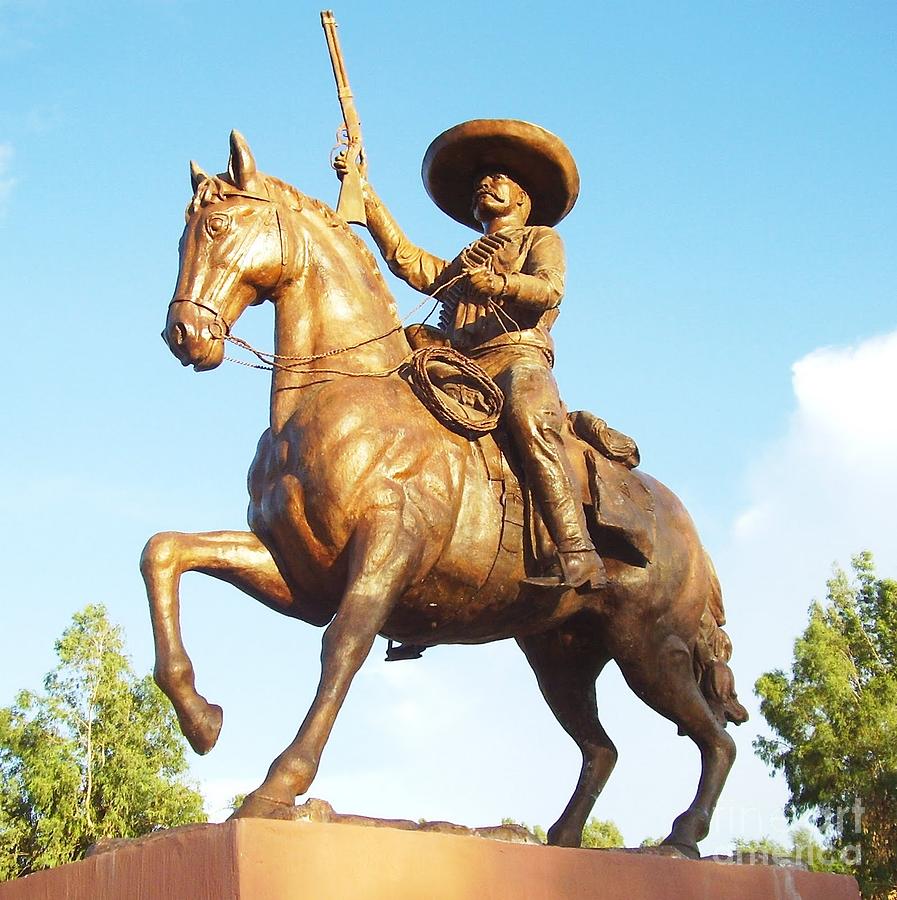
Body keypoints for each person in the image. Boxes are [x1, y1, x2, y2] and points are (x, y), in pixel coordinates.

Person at [336, 119, 605, 592]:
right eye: (483, 178)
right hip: (460, 367)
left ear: (522, 198)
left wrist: (500, 284)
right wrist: (364, 191)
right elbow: (406, 259)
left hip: (515, 358)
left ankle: (577, 552)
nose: (486, 181)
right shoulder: (465, 260)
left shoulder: (540, 239)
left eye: (499, 177)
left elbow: (550, 288)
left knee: (528, 417)